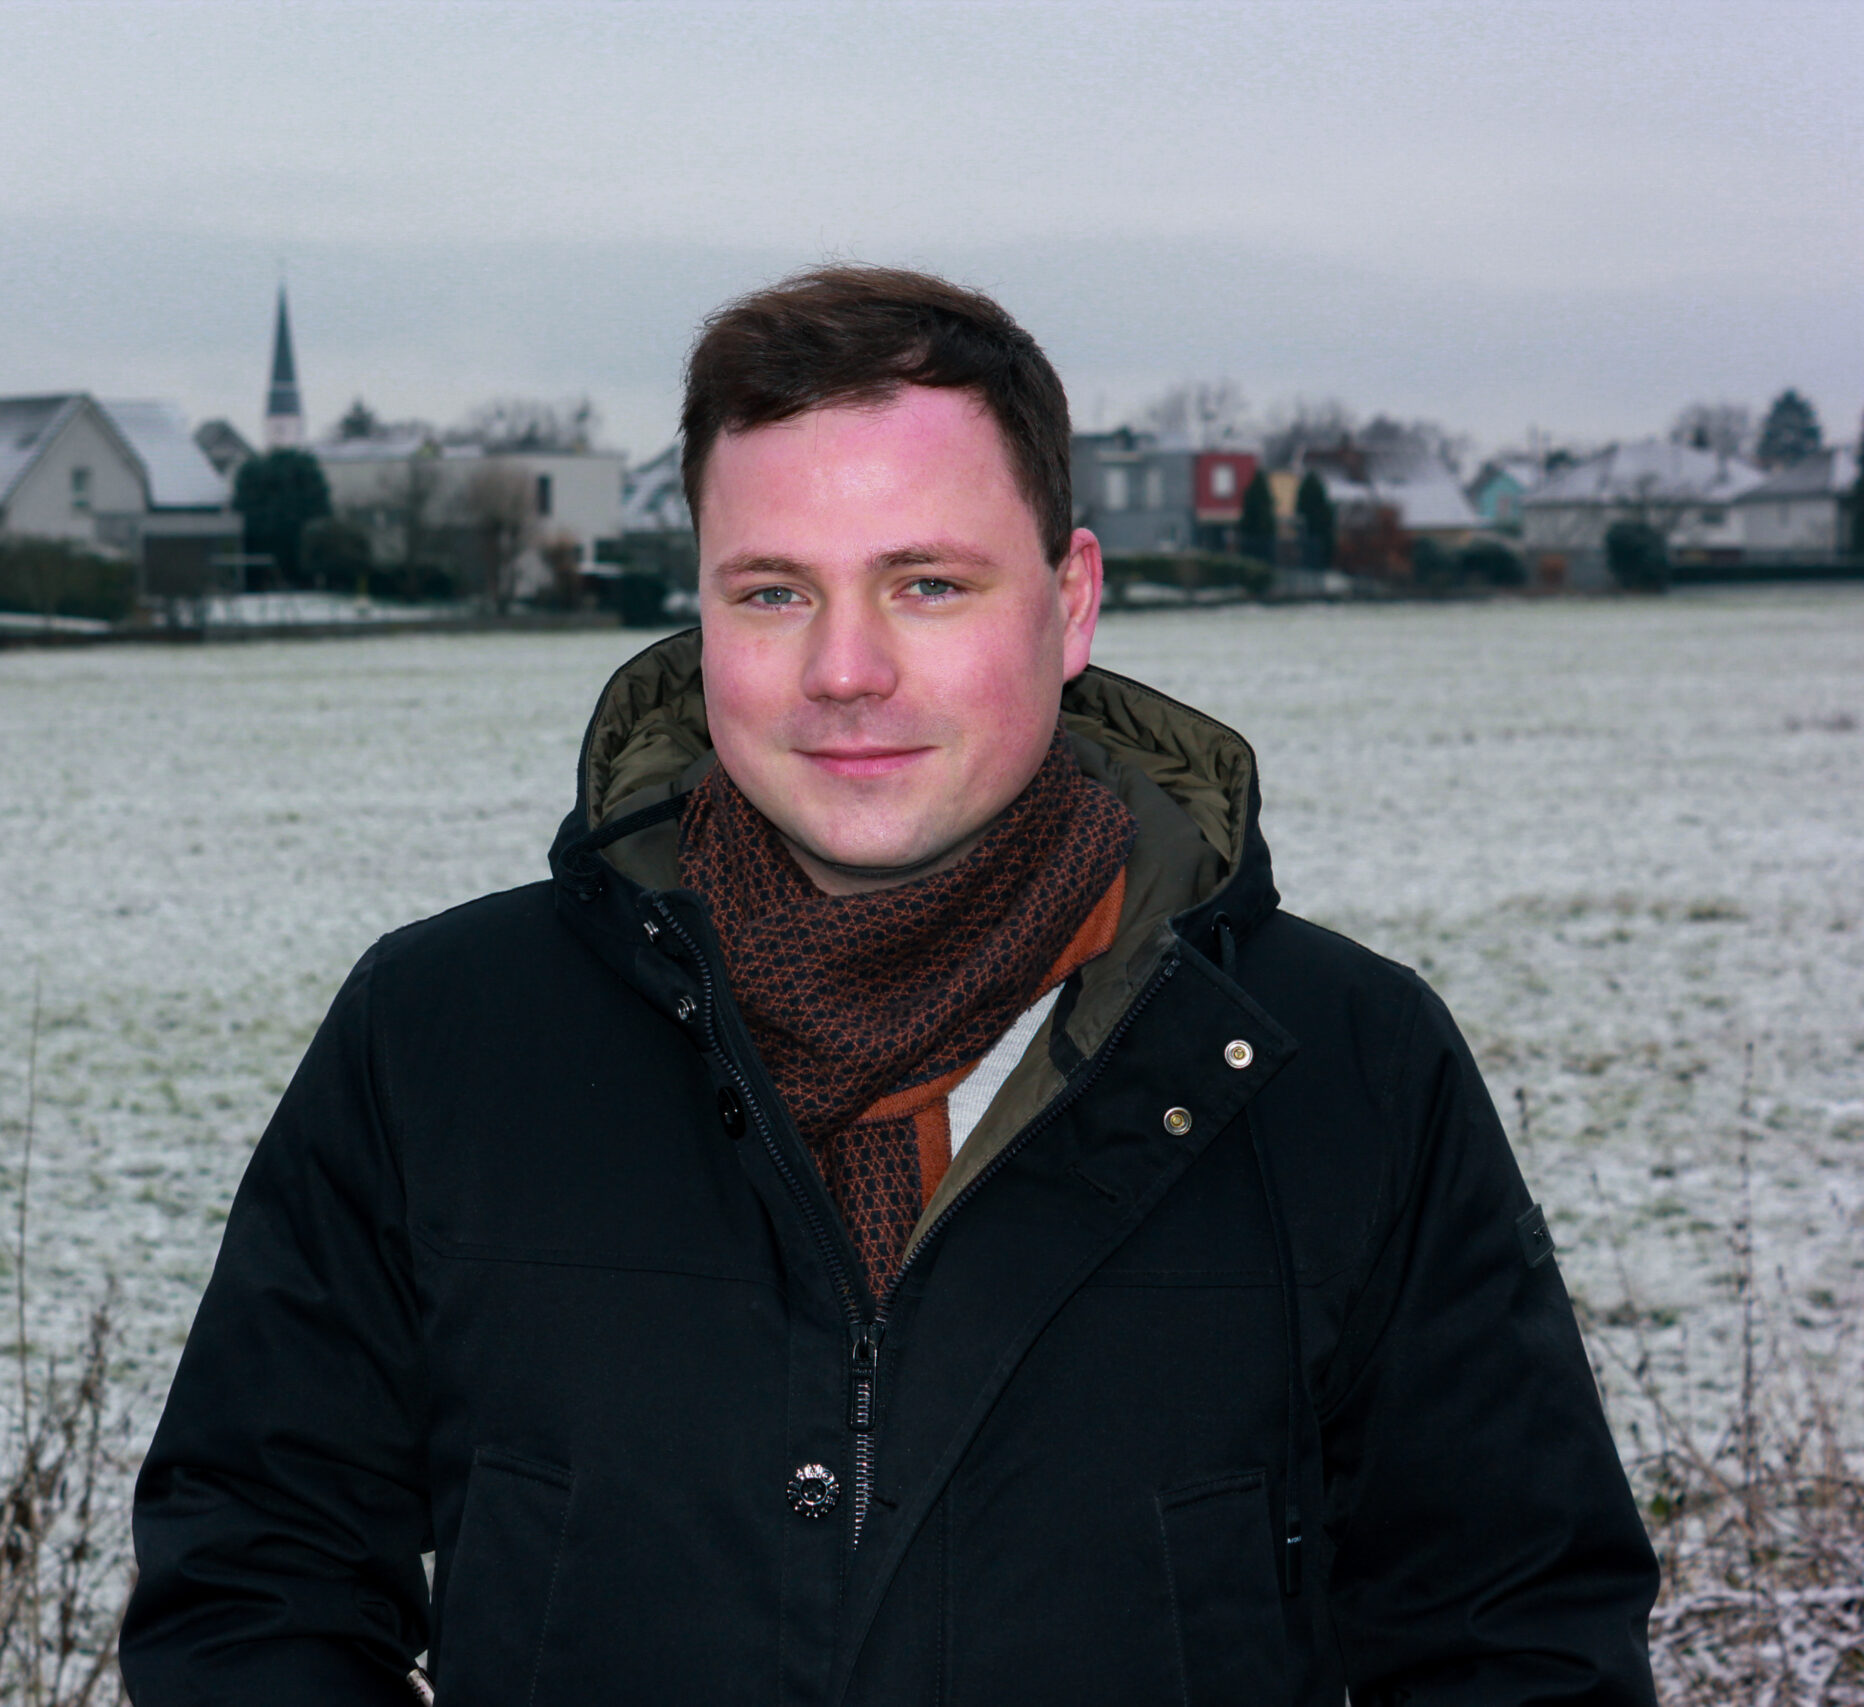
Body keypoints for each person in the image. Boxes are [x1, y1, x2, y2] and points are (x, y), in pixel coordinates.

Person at [120, 266, 1657, 1704]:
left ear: (1071, 602)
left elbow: (1513, 1637)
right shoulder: (442, 1038)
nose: (844, 671)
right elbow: (254, 1577)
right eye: (773, 593)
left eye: (926, 584)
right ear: (698, 611)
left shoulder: (1343, 1069)